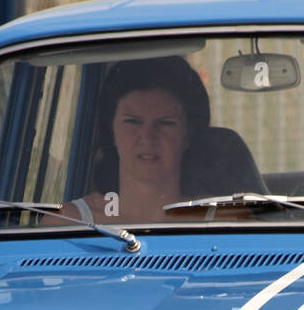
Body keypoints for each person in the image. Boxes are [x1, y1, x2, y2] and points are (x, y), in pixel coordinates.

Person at [71, 56, 211, 224]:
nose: (147, 137)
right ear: (111, 129)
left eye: (165, 123)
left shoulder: (223, 222)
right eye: (132, 122)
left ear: (188, 134)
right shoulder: (67, 223)